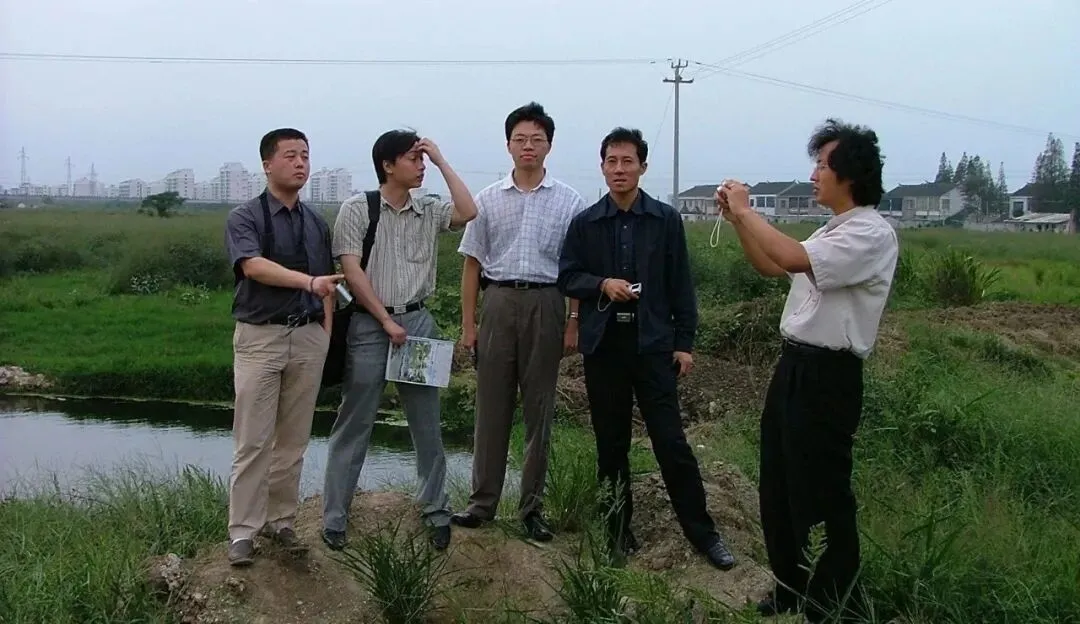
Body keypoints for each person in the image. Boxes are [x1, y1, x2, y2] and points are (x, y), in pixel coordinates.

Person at [716, 119, 897, 623]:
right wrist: (738, 222)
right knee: (779, 484)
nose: (814, 175)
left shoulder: (870, 233)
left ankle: (832, 600)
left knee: (821, 490)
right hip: (795, 366)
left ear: (850, 174)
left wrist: (747, 210)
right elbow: (772, 265)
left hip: (829, 375)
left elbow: (791, 256)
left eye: (821, 165)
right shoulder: (832, 229)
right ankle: (790, 587)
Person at [557, 127, 737, 570]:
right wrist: (602, 283)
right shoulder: (586, 222)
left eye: (627, 161)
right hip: (605, 347)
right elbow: (567, 276)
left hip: (653, 345)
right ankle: (617, 534)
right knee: (611, 445)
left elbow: (680, 285)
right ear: (602, 167)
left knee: (671, 442)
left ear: (642, 167)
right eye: (611, 162)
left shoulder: (664, 220)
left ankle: (703, 534)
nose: (619, 169)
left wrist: (684, 344)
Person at [321, 130, 478, 551]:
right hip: (370, 325)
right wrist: (385, 321)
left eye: (423, 159)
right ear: (388, 165)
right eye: (413, 159)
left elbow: (468, 211)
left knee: (426, 421)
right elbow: (351, 271)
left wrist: (441, 160)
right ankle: (335, 517)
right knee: (355, 420)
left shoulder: (428, 208)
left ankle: (436, 509)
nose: (421, 165)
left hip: (418, 321)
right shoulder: (358, 208)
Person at [451, 102, 587, 541]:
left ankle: (532, 508)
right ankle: (481, 503)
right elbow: (472, 264)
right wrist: (469, 325)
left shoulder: (570, 201)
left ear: (549, 145)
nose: (528, 146)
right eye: (520, 139)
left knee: (539, 410)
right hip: (498, 300)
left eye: (537, 139)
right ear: (508, 145)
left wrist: (572, 320)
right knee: (491, 407)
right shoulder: (488, 199)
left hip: (547, 302)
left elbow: (576, 268)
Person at [223, 128, 343, 566]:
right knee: (253, 440)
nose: (300, 163)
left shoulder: (316, 222)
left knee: (293, 440)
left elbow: (328, 284)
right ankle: (243, 531)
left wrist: (325, 334)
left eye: (305, 155)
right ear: (267, 164)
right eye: (290, 155)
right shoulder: (245, 217)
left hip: (308, 336)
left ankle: (282, 522)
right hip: (261, 337)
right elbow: (253, 267)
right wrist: (308, 283)